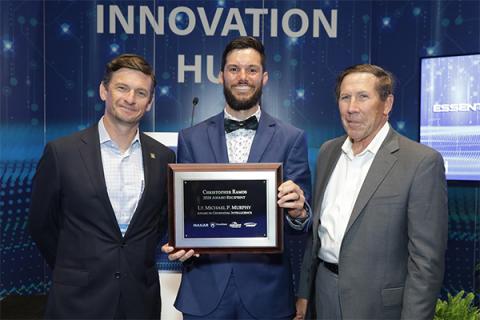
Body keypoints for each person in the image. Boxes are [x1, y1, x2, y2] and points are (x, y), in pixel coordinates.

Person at [162, 36, 312, 319]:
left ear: (264, 77)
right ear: (221, 76)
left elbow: (301, 224)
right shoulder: (190, 138)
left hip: (266, 293)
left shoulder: (292, 138)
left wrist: (299, 210)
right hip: (204, 292)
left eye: (252, 70)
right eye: (234, 69)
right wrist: (179, 242)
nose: (243, 77)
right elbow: (183, 211)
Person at [28, 54, 175, 319]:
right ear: (103, 90)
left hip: (139, 301)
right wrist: (74, 268)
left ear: (150, 102)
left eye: (141, 92)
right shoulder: (62, 153)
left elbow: (158, 223)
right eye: (122, 88)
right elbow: (40, 225)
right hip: (77, 301)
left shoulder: (163, 157)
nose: (130, 98)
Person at [296, 64, 448, 319]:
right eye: (345, 97)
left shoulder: (421, 162)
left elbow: (426, 263)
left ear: (386, 104)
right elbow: (317, 234)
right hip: (323, 296)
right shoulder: (327, 152)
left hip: (378, 307)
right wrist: (304, 294)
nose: (352, 107)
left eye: (363, 97)